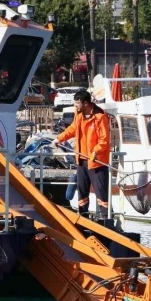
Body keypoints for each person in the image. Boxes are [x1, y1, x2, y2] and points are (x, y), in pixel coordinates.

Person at [52, 90, 110, 218]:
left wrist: (96, 151)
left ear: (86, 103)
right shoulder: (78, 116)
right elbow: (71, 130)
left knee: (101, 193)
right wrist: (59, 138)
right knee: (82, 192)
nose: (75, 106)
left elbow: (104, 140)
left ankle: (106, 220)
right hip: (81, 161)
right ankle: (83, 218)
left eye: (77, 103)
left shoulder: (100, 117)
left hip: (96, 162)